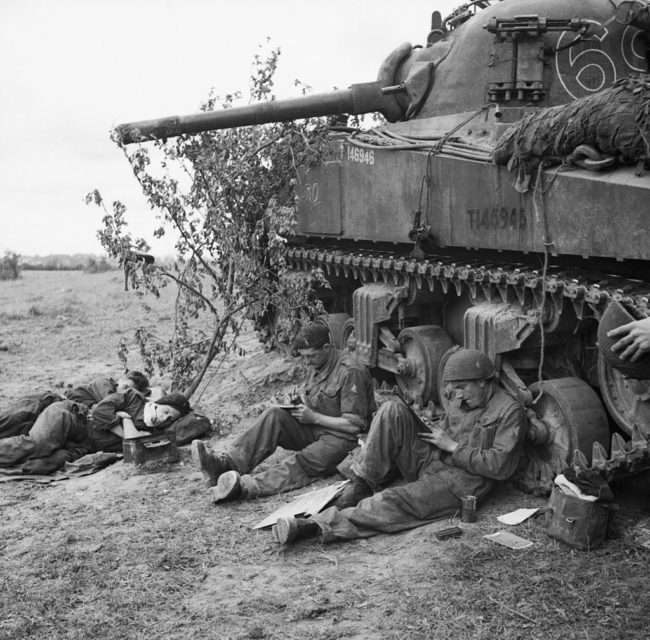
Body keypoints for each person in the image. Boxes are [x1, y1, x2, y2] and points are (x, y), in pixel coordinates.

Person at [271, 348, 527, 546]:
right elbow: (450, 428)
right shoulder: (466, 396)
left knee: (393, 500)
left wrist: (453, 447)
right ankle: (362, 483)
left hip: (460, 482)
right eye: (454, 388)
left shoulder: (509, 411)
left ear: (483, 381)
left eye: (462, 387)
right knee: (392, 409)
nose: (457, 395)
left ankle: (317, 526)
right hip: (434, 458)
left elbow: (500, 466)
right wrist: (428, 428)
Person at [191, 321, 376, 503]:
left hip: (344, 440)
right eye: (304, 357)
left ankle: (243, 487)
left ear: (327, 348)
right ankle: (225, 465)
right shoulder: (317, 364)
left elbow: (355, 426)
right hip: (317, 427)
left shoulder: (351, 372)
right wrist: (299, 402)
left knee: (303, 461)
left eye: (310, 356)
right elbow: (316, 396)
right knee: (274, 415)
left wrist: (314, 417)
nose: (306, 362)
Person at [0, 389, 190, 473]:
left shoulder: (153, 434)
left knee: (42, 464)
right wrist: (125, 421)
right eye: (165, 411)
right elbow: (99, 413)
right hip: (72, 418)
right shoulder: (133, 399)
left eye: (169, 419)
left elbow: (135, 451)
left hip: (82, 446)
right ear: (157, 403)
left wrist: (128, 428)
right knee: (38, 444)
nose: (164, 419)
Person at [0, 370, 150, 439]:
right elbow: (103, 407)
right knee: (12, 419)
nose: (123, 392)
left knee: (20, 430)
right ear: (121, 379)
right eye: (124, 387)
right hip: (49, 401)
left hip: (57, 414)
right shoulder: (105, 384)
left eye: (128, 391)